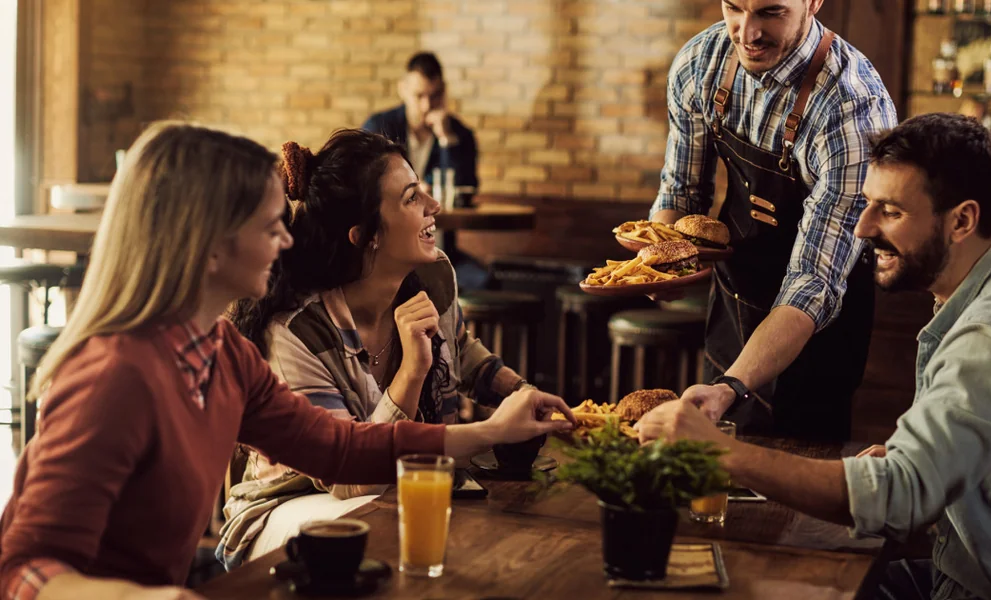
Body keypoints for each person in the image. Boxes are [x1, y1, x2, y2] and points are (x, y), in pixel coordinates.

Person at [0, 122, 574, 599]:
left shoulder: (222, 358)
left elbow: (343, 448)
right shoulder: (113, 377)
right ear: (210, 244)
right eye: (269, 224)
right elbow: (22, 571)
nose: (286, 239)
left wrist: (491, 430)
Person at [638, 113, 991, 600]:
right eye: (867, 204)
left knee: (761, 587)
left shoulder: (990, 340)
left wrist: (721, 452)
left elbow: (898, 500)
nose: (864, 228)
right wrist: (922, 456)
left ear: (961, 220)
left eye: (890, 211)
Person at [219, 129, 537, 568]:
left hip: (393, 486)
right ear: (365, 234)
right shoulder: (297, 333)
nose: (434, 205)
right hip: (291, 506)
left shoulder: (433, 276)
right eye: (411, 198)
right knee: (379, 532)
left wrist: (520, 393)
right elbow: (349, 478)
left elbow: (459, 349)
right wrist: (412, 373)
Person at [651, 0, 898, 439]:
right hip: (735, 308)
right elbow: (682, 194)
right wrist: (659, 262)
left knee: (790, 487)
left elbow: (813, 282)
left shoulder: (852, 107)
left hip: (816, 343)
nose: (747, 32)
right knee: (716, 481)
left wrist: (731, 386)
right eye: (734, 8)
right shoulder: (702, 62)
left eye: (770, 12)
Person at [361, 52, 478, 192]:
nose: (426, 106)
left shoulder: (460, 135)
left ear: (444, 91)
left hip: (439, 213)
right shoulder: (379, 127)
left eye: (434, 96)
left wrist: (446, 139)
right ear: (402, 89)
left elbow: (464, 188)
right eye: (419, 95)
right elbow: (365, 180)